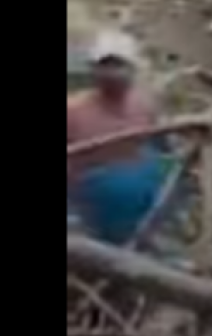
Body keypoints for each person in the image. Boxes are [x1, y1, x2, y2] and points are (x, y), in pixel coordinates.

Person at [67, 31, 172, 246]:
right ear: (93, 69)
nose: (112, 73)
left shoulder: (145, 107)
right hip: (89, 212)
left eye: (119, 65)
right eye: (105, 65)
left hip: (141, 209)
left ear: (132, 70)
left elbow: (164, 153)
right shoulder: (73, 111)